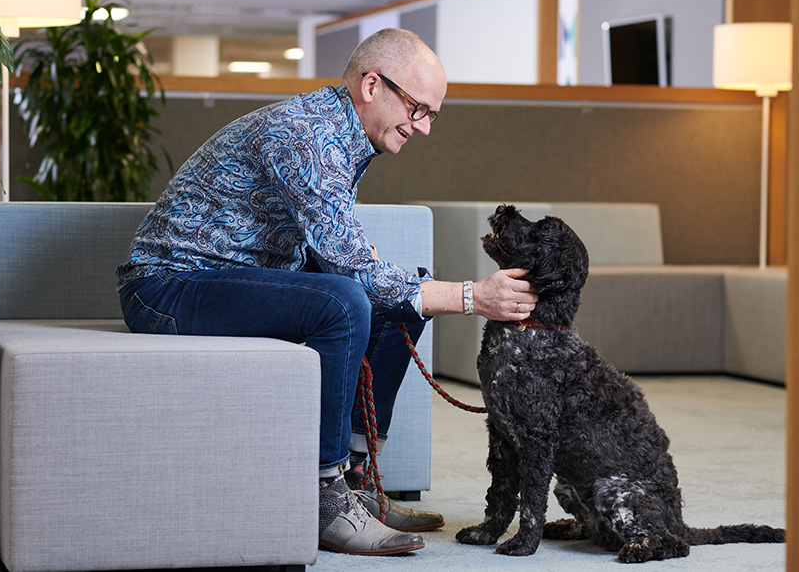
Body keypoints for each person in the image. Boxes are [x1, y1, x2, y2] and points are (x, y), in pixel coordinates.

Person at [116, 28, 537, 556]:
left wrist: (420, 291)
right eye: (418, 109)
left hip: (221, 279)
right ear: (371, 85)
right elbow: (351, 272)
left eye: (433, 114)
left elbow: (350, 259)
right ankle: (323, 495)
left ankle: (358, 481)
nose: (424, 128)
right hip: (167, 289)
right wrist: (472, 297)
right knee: (347, 301)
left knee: (400, 298)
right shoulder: (307, 135)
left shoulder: (341, 133)